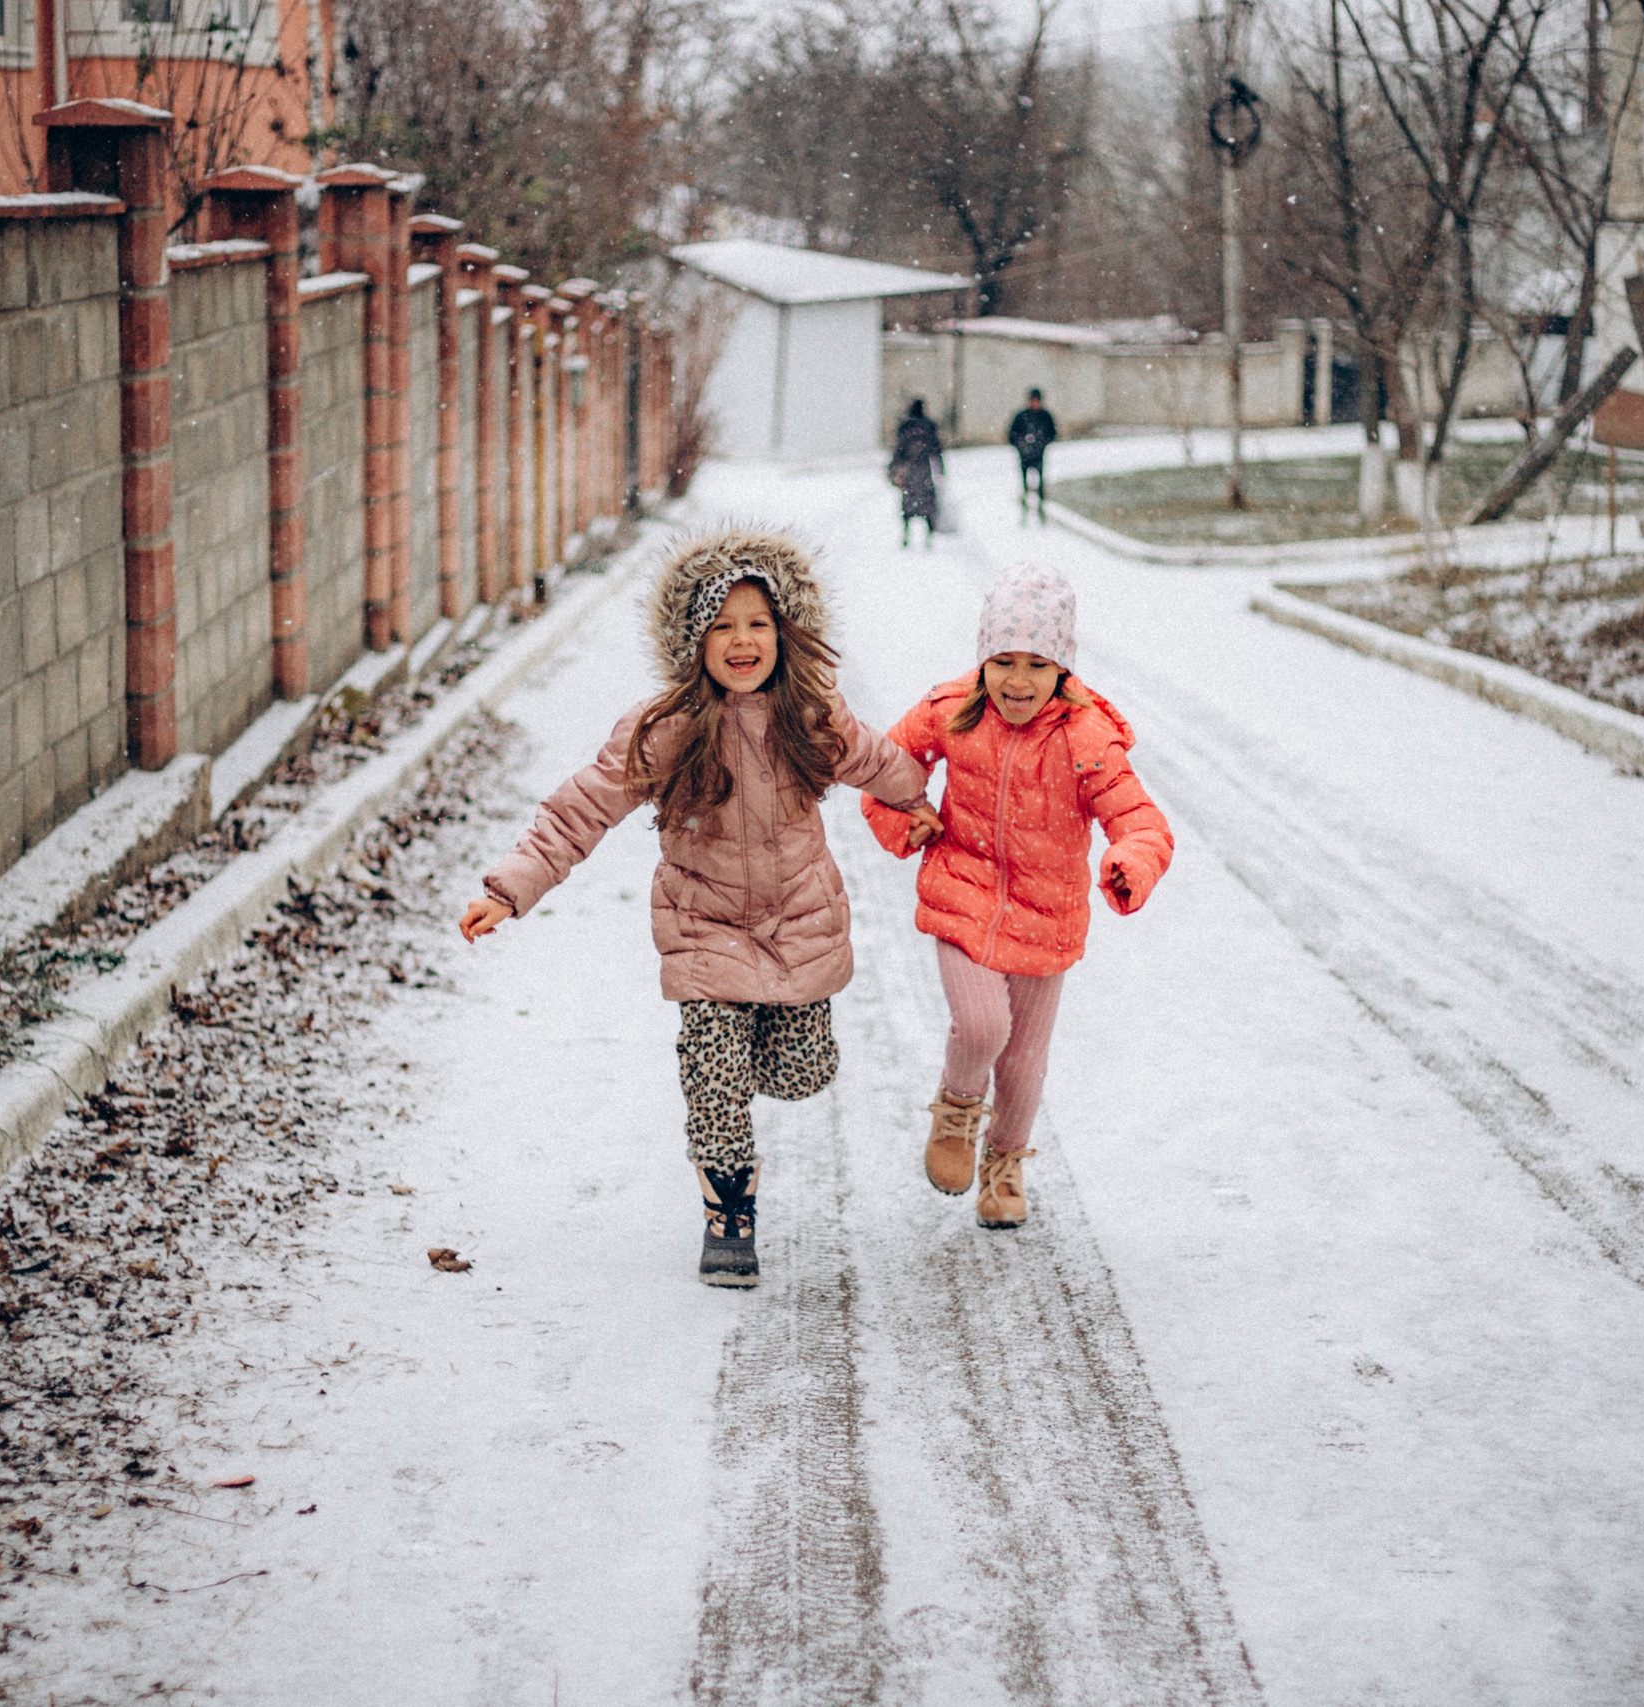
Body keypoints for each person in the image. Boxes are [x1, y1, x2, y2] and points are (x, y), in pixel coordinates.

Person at [459, 529, 944, 1286]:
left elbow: (874, 758)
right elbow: (581, 807)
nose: (742, 640)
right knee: (716, 1071)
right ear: (694, 641)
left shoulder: (810, 714)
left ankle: (730, 1074)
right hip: (705, 927)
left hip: (798, 927)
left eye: (757, 623)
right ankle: (729, 1213)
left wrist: (914, 799)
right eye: (721, 625)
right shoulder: (666, 728)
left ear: (784, 633)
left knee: (803, 1071)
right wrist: (508, 887)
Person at [861, 566, 1173, 1229]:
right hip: (962, 894)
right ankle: (956, 1110)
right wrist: (907, 813)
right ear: (983, 660)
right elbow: (885, 766)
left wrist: (1130, 862)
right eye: (1003, 661)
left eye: (1037, 663)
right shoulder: (952, 710)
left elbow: (1141, 823)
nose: (1018, 680)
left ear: (1063, 668)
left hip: (1047, 916)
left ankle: (1004, 1166)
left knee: (1026, 1066)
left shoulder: (1086, 737)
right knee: (982, 1026)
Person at [890, 399, 945, 548]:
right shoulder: (928, 425)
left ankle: (906, 535)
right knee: (927, 503)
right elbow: (936, 447)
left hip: (909, 470)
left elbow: (898, 448)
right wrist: (940, 468)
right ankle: (928, 536)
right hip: (924, 468)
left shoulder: (906, 426)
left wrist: (893, 467)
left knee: (908, 503)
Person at [1007, 389, 1058, 521]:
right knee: (1024, 483)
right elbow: (1012, 435)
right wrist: (1022, 445)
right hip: (1024, 456)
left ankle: (1040, 507)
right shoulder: (1022, 417)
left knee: (1040, 481)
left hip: (1038, 455)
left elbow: (1052, 433)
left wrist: (1040, 444)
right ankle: (1025, 507)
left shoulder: (1045, 416)